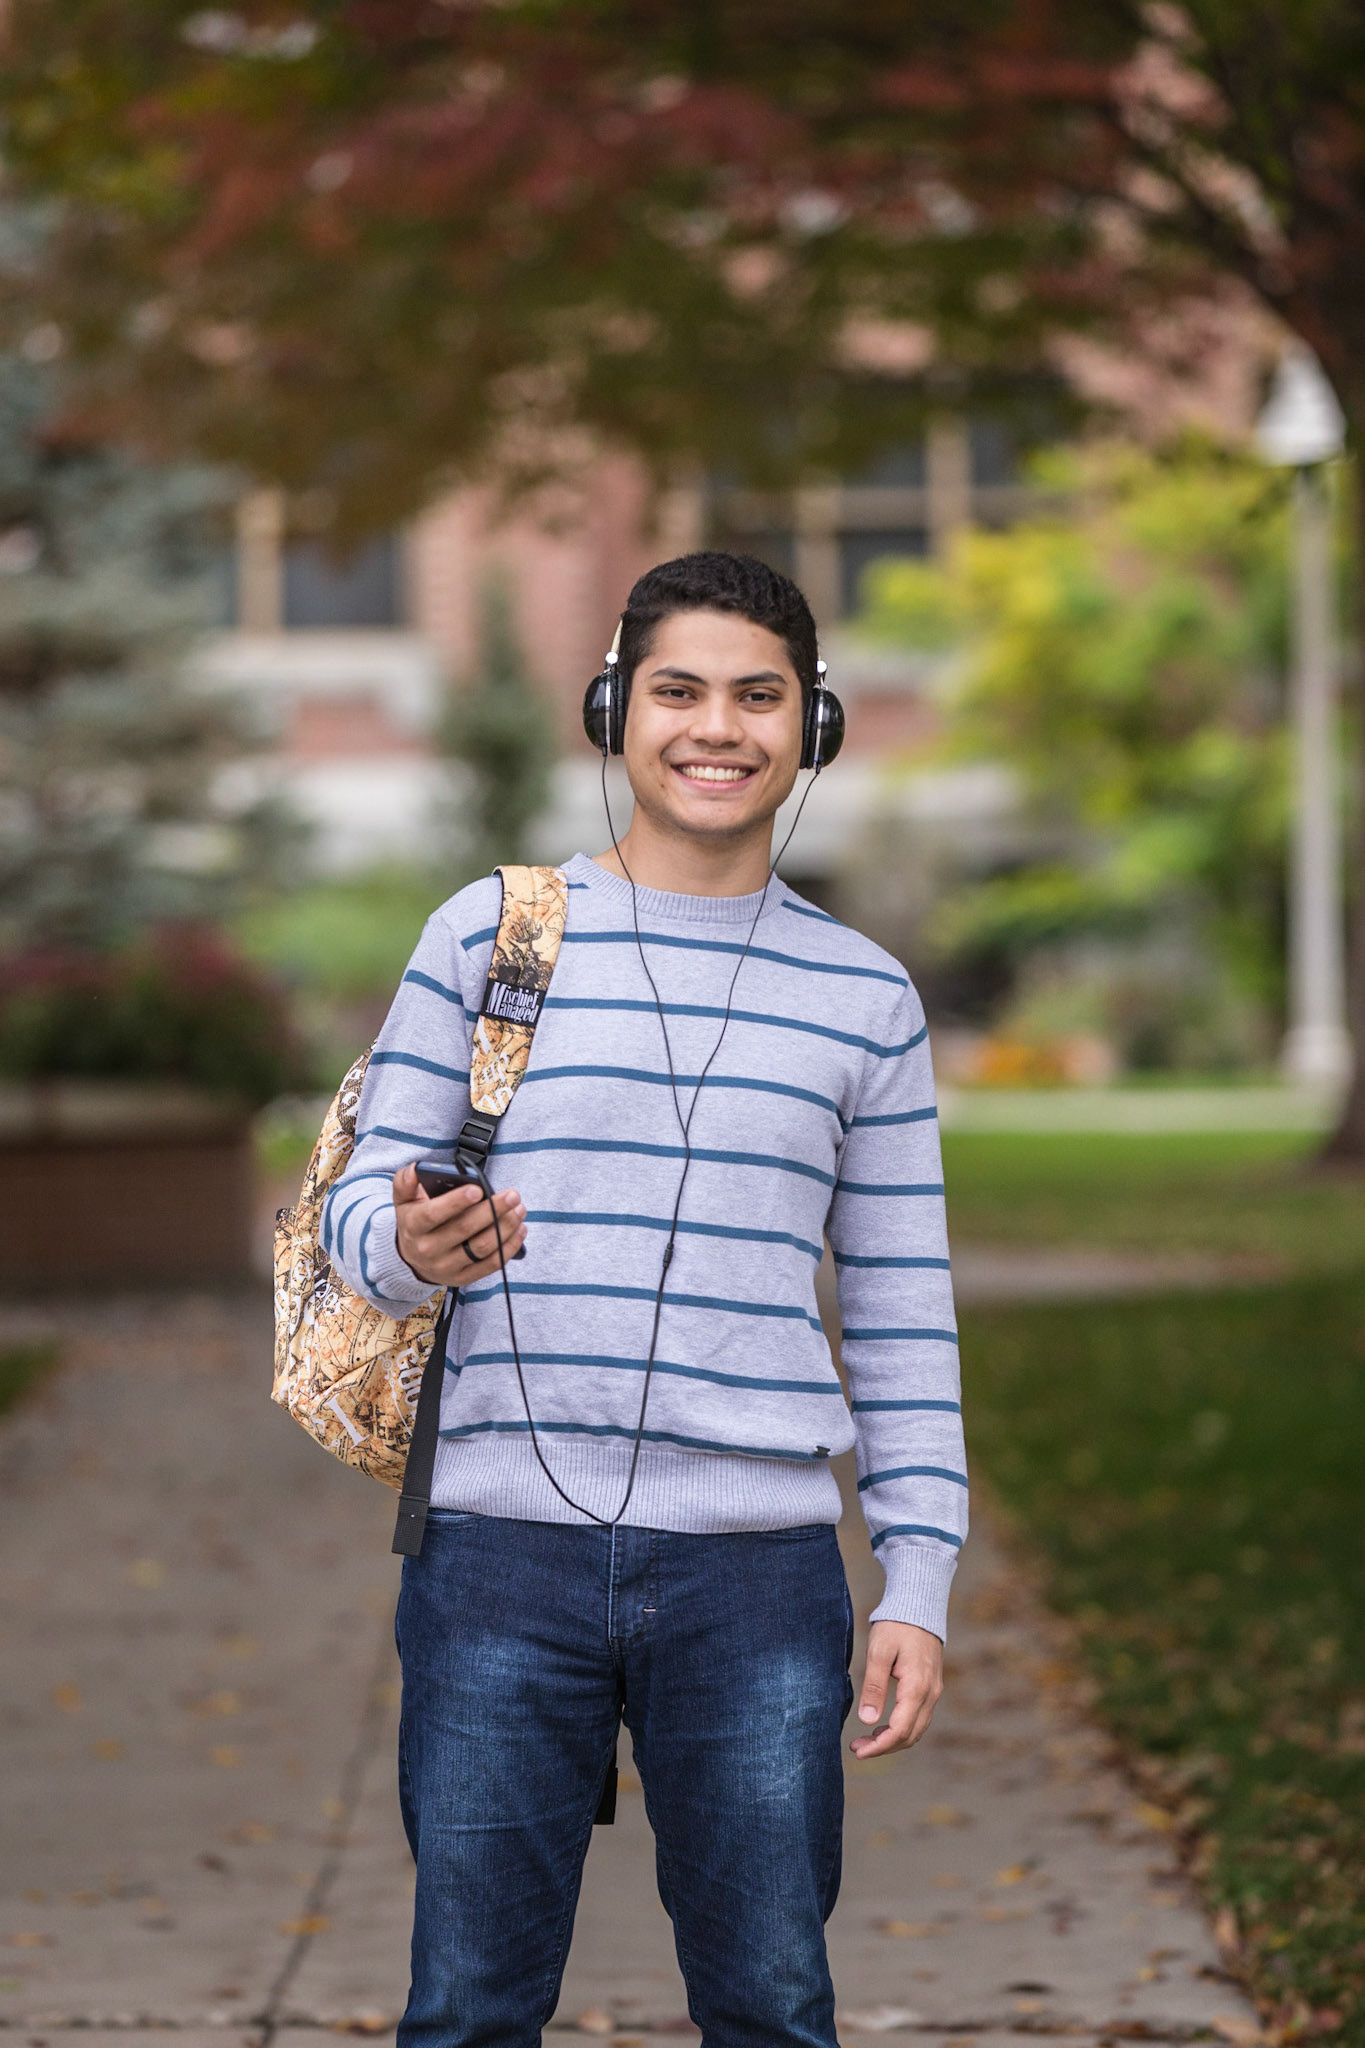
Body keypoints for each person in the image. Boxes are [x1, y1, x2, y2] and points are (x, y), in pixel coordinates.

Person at [323, 551, 967, 2048]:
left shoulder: (862, 996)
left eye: (760, 696)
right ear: (615, 709)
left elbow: (898, 1305)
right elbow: (359, 1204)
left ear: (814, 727)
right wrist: (413, 1244)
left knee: (769, 2004)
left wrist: (919, 1578)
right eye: (676, 690)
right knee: (469, 2006)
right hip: (499, 1557)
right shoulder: (493, 936)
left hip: (757, 1581)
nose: (715, 727)